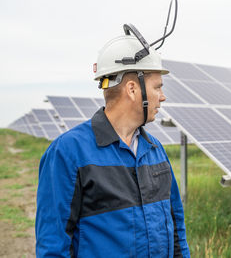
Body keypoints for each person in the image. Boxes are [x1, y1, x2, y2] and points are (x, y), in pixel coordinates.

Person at [35, 25, 190, 257]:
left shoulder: (156, 151)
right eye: (157, 87)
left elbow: (177, 232)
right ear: (132, 89)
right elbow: (53, 247)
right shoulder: (67, 153)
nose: (163, 96)